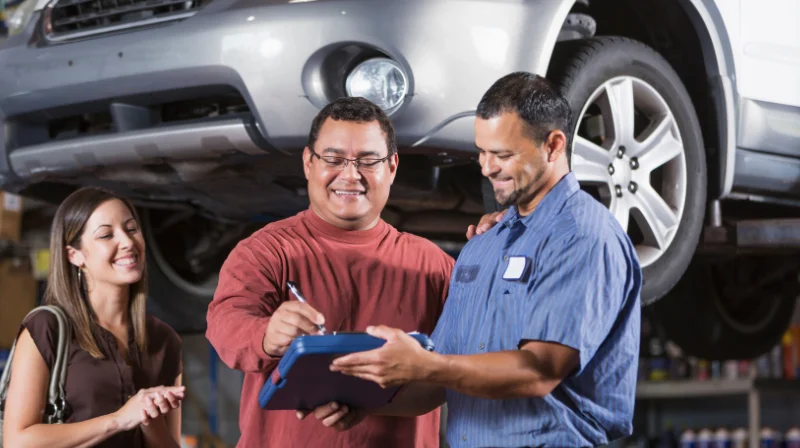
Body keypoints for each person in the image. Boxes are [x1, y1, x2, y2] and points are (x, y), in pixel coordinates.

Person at [317, 72, 643, 447]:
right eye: (482, 152)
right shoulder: (483, 245)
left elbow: (539, 372)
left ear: (553, 145)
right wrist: (364, 402)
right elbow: (440, 382)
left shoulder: (582, 236)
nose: (487, 168)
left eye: (503, 155)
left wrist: (428, 365)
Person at [205, 96, 463, 448]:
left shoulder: (433, 266)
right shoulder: (266, 250)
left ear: (392, 167)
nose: (350, 174)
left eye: (368, 161)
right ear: (309, 163)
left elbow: (465, 366)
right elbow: (225, 322)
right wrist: (267, 333)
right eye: (333, 159)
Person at [2, 187, 185, 448]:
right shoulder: (46, 329)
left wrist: (148, 418)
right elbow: (17, 442)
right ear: (74, 255)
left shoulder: (165, 340)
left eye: (132, 229)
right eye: (106, 235)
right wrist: (119, 419)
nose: (127, 242)